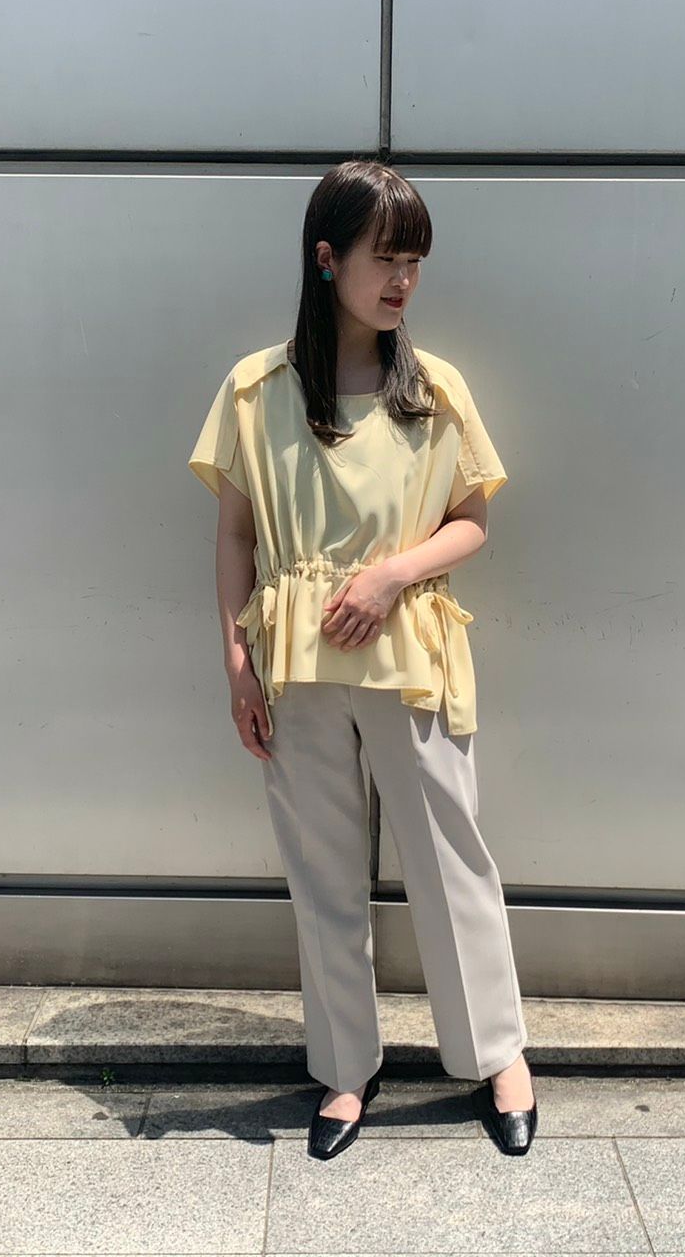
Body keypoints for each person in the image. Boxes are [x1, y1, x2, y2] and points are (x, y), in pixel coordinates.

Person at [188, 159, 536, 1159]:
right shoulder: (255, 389)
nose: (402, 281)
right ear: (326, 257)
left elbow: (471, 521)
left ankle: (498, 1055)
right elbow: (235, 535)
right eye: (385, 259)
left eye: (414, 262)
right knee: (323, 873)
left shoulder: (433, 390)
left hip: (408, 652)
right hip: (295, 665)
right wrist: (236, 664)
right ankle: (346, 1068)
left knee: (451, 859)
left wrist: (390, 574)